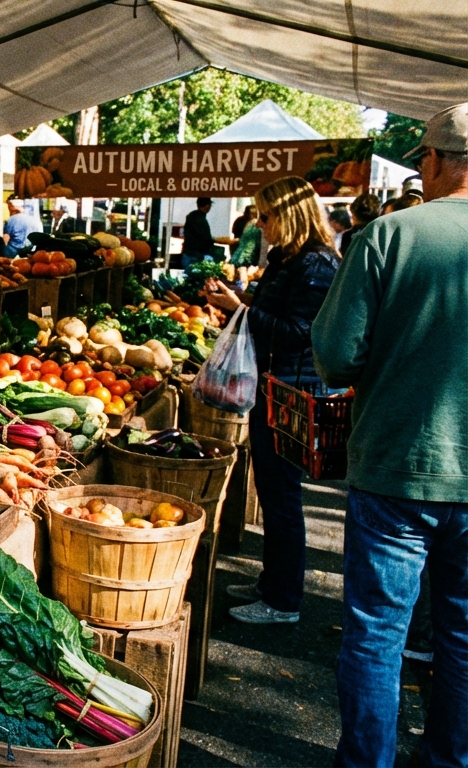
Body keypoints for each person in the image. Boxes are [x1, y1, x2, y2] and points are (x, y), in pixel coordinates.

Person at [311, 102, 468, 768]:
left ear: (433, 160)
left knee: (377, 636)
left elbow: (335, 355)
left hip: (397, 465)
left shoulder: (388, 235)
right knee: (463, 637)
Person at [202, 177, 341, 626]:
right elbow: (277, 314)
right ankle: (272, 582)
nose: (259, 225)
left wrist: (240, 310)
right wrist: (238, 300)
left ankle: (283, 600)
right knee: (272, 488)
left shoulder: (316, 264)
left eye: (265, 215)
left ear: (289, 214)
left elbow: (301, 332)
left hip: (293, 391)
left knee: (282, 495)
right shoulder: (289, 257)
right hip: (274, 384)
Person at [182, 197, 237, 268]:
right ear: (207, 206)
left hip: (188, 254)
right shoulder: (200, 220)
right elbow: (206, 239)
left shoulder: (192, 216)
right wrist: (227, 241)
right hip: (196, 256)